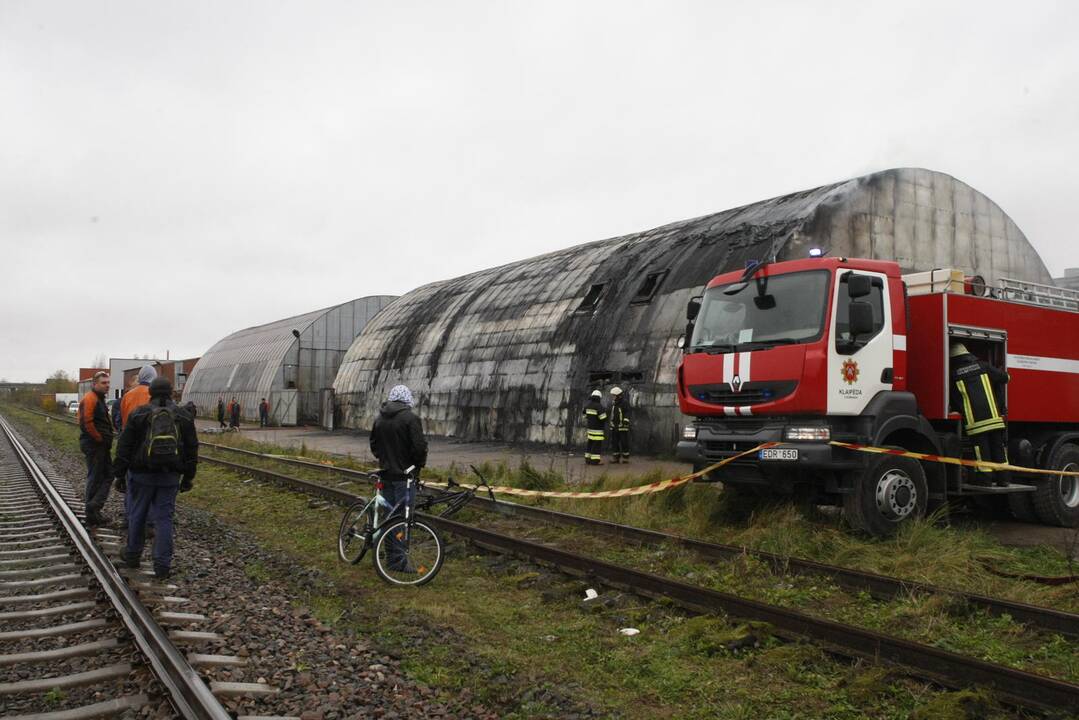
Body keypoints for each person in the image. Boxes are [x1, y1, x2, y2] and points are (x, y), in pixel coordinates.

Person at [112, 377, 198, 580]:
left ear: (150, 393)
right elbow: (192, 448)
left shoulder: (139, 414)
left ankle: (133, 556)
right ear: (170, 393)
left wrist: (119, 474)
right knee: (164, 519)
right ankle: (162, 566)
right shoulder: (183, 415)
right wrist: (188, 477)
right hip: (170, 476)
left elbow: (124, 446)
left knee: (137, 515)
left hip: (141, 475)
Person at [370, 384, 428, 571]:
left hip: (386, 474)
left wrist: (385, 460)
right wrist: (417, 465)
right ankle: (397, 561)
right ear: (407, 399)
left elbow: (374, 446)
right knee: (402, 518)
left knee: (389, 517)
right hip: (405, 477)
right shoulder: (411, 419)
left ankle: (390, 557)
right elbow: (419, 447)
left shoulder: (379, 419)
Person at [950, 342, 1011, 486]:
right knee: (998, 449)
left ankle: (986, 481)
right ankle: (1004, 480)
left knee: (981, 452)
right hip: (994, 419)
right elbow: (1005, 378)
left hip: (975, 422)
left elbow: (955, 400)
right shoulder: (983, 366)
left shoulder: (954, 374)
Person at [78, 371, 114, 526]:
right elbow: (86, 422)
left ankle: (94, 509)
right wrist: (99, 438)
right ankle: (92, 510)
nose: (107, 385)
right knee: (96, 477)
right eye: (103, 383)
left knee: (106, 475)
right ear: (95, 384)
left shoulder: (98, 399)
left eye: (108, 383)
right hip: (95, 445)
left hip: (100, 445)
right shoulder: (91, 398)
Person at [120, 364, 156, 430]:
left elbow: (123, 417)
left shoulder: (127, 396)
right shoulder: (154, 394)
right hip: (146, 436)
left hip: (129, 434)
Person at [582, 389, 607, 465]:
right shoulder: (599, 406)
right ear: (599, 398)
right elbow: (603, 418)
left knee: (590, 444)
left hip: (590, 429)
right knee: (596, 445)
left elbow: (584, 416)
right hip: (598, 430)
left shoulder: (587, 406)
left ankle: (587, 459)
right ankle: (595, 461)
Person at [608, 386, 630, 464]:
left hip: (622, 427)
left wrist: (626, 420)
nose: (612, 397)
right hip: (614, 426)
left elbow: (627, 412)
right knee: (614, 442)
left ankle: (625, 458)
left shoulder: (624, 402)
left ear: (618, 395)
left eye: (614, 395)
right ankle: (616, 458)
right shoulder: (614, 403)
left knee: (624, 442)